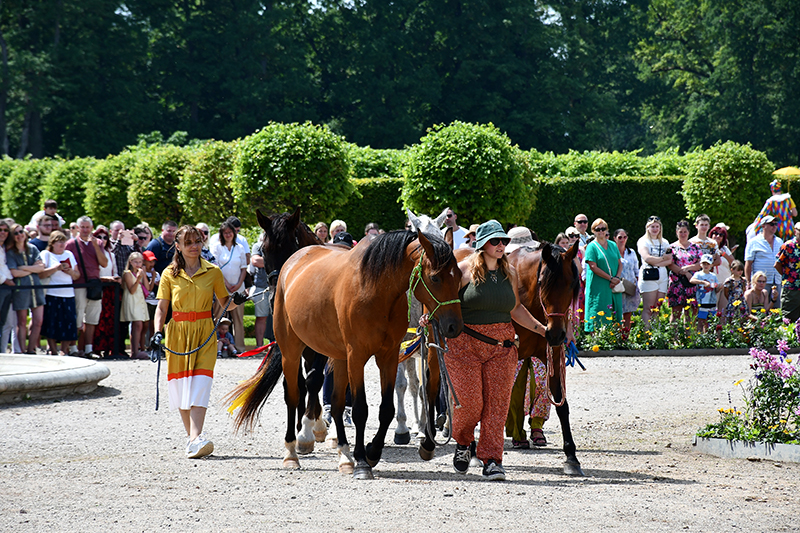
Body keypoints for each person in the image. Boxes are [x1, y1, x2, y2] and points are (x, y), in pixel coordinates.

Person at [440, 220, 547, 481]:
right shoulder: (463, 271)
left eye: (504, 241)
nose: (501, 245)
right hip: (464, 346)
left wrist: (542, 329)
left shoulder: (509, 272)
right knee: (470, 405)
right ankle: (464, 442)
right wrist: (430, 318)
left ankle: (492, 460)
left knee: (497, 408)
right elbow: (445, 304)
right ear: (481, 244)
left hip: (502, 347)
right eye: (495, 241)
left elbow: (515, 308)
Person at [151, 225, 244, 459]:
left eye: (197, 241)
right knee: (182, 386)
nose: (194, 246)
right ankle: (194, 440)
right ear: (178, 246)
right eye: (188, 242)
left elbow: (225, 303)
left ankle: (195, 438)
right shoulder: (168, 273)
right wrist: (157, 332)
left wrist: (238, 300)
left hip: (205, 331)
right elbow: (161, 308)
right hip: (178, 333)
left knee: (201, 383)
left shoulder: (213, 271)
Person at [65, 216, 108, 358]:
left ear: (91, 228)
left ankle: (89, 349)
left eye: (87, 227)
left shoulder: (98, 243)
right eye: (82, 227)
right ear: (78, 228)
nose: (85, 230)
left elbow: (104, 263)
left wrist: (95, 246)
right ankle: (73, 349)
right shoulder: (71, 244)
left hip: (94, 284)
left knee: (92, 319)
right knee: (77, 318)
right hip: (79, 284)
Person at [5, 223, 46, 353]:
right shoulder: (11, 253)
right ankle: (22, 350)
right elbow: (14, 273)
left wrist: (23, 268)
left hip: (36, 289)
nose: (19, 235)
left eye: (21, 231)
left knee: (38, 321)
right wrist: (32, 269)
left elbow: (41, 268)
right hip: (21, 290)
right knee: (22, 322)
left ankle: (31, 349)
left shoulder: (32, 248)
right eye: (16, 233)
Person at [38, 231, 79, 355]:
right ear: (52, 243)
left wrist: (70, 271)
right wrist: (56, 268)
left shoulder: (69, 254)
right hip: (52, 293)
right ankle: (53, 350)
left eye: (63, 241)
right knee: (52, 322)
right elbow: (41, 274)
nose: (61, 244)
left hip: (68, 293)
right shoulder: (46, 254)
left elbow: (77, 275)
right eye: (58, 242)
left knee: (69, 322)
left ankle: (64, 350)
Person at [211, 220, 247, 352]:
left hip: (238, 287)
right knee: (218, 317)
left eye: (230, 232)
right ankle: (215, 347)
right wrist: (226, 283)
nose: (228, 235)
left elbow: (244, 268)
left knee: (238, 319)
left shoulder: (240, 248)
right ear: (221, 234)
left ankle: (239, 348)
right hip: (221, 287)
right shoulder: (216, 247)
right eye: (225, 232)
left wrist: (238, 284)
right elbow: (216, 267)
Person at [584, 219, 623, 332]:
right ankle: (596, 338)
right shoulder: (591, 247)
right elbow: (593, 267)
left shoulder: (613, 245)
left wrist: (616, 278)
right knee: (598, 312)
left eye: (603, 229)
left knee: (615, 313)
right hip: (599, 286)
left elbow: (620, 263)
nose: (601, 231)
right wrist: (610, 278)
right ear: (593, 231)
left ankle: (615, 337)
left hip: (614, 285)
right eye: (598, 229)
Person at [92, 225, 122, 358]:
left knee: (110, 320)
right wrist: (106, 279)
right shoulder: (92, 253)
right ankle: (96, 348)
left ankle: (109, 348)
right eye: (99, 237)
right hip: (97, 288)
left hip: (110, 290)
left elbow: (114, 271)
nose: (102, 240)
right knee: (98, 319)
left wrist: (116, 278)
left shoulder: (111, 254)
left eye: (105, 237)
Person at [637, 216, 672, 327]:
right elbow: (647, 258)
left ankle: (656, 332)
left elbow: (670, 260)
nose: (655, 229)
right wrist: (662, 259)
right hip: (649, 275)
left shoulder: (665, 242)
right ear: (648, 227)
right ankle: (646, 333)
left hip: (662, 275)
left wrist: (656, 262)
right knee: (648, 308)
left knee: (657, 308)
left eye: (657, 226)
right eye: (652, 226)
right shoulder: (643, 241)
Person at [667, 220, 702, 323]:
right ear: (676, 232)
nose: (683, 234)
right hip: (677, 283)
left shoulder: (696, 247)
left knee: (691, 313)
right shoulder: (671, 247)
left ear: (688, 232)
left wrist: (689, 268)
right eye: (680, 232)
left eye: (685, 232)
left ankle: (689, 333)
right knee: (676, 313)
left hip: (692, 283)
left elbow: (700, 264)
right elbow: (670, 264)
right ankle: (673, 333)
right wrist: (685, 273)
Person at [745, 215, 783, 308]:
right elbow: (748, 264)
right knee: (760, 309)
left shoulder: (779, 241)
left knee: (777, 309)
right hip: (760, 282)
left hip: (777, 281)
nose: (774, 226)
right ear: (763, 226)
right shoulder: (754, 242)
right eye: (771, 224)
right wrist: (748, 282)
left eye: (775, 224)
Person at [121, 252, 151, 360]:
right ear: (130, 262)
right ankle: (134, 352)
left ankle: (139, 349)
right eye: (135, 262)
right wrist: (138, 278)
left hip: (140, 300)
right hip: (132, 300)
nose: (138, 264)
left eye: (140, 262)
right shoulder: (127, 273)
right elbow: (132, 290)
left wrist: (144, 275)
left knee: (142, 325)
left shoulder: (141, 273)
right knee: (137, 324)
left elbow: (147, 288)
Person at [613, 228, 640, 331]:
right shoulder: (612, 252)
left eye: (624, 237)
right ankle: (616, 335)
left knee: (628, 314)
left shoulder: (631, 252)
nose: (622, 240)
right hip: (617, 286)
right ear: (615, 238)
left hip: (629, 286)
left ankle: (626, 336)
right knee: (616, 313)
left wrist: (635, 284)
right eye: (620, 237)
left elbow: (636, 270)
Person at [250, 233, 273, 346]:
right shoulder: (257, 246)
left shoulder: (278, 246)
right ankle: (259, 346)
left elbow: (260, 261)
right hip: (261, 287)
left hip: (276, 287)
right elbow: (256, 261)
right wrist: (274, 261)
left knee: (278, 318)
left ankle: (276, 346)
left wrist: (263, 261)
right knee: (261, 318)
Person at [774, 225, 800, 323]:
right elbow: (777, 264)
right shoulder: (788, 246)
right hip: (791, 289)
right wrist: (787, 277)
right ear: (795, 232)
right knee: (789, 319)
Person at [709, 225, 736, 313]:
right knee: (711, 310)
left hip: (725, 281)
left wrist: (723, 254)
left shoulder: (724, 248)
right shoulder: (707, 247)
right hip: (712, 282)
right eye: (715, 233)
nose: (718, 236)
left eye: (721, 235)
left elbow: (733, 262)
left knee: (723, 311)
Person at [690, 254, 721, 333]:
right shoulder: (698, 274)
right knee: (701, 320)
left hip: (711, 302)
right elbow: (692, 280)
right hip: (701, 301)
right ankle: (699, 336)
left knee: (710, 321)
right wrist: (703, 282)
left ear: (711, 265)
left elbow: (716, 289)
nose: (706, 266)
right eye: (704, 264)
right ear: (701, 264)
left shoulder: (713, 276)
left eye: (708, 264)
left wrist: (719, 287)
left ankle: (709, 336)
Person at [0, 220, 15, 347]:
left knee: (3, 321)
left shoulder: (5, 248)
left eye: (5, 230)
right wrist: (5, 280)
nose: (3, 233)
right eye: (0, 230)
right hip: (2, 285)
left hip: (7, 287)